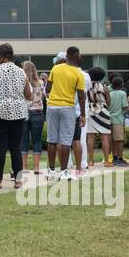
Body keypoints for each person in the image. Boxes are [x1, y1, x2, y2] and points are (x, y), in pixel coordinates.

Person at [0, 43, 30, 189]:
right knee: (16, 146)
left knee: (0, 145)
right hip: (18, 111)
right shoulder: (22, 72)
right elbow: (28, 95)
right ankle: (18, 180)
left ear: (1, 57)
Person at [45, 47, 86, 181]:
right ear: (76, 56)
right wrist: (83, 115)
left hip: (52, 106)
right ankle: (63, 172)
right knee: (66, 141)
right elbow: (81, 96)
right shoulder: (78, 73)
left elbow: (48, 88)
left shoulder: (56, 68)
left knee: (52, 139)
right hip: (68, 107)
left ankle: (50, 171)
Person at [85, 66, 112, 166]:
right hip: (102, 111)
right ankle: (106, 161)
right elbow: (108, 103)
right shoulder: (104, 87)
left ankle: (91, 160)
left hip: (90, 111)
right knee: (104, 137)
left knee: (91, 137)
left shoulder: (87, 86)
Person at [22, 60, 45, 175]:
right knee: (37, 140)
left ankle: (24, 167)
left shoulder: (21, 82)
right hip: (37, 112)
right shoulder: (40, 82)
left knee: (24, 140)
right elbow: (43, 97)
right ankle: (36, 168)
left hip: (24, 113)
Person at [108, 74, 129, 166]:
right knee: (119, 140)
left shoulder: (109, 93)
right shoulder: (122, 94)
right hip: (118, 119)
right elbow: (124, 106)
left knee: (112, 139)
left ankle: (114, 157)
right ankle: (120, 158)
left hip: (109, 119)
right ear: (121, 85)